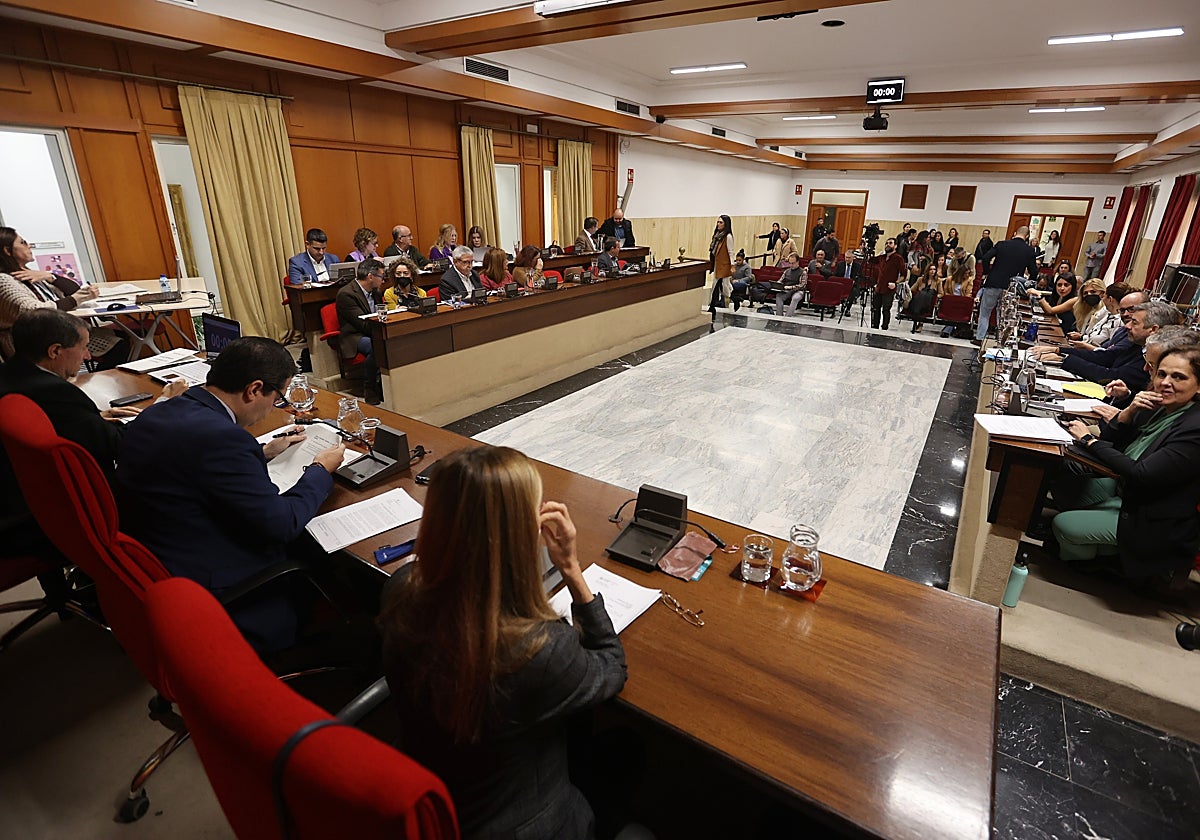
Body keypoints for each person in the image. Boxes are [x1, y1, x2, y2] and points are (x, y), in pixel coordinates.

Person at [379, 445, 627, 840]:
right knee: (628, 754)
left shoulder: (399, 592)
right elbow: (611, 669)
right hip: (526, 825)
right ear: (518, 532)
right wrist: (572, 569)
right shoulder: (538, 649)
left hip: (436, 800)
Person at [116, 337, 346, 651]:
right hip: (215, 581)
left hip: (159, 556)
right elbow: (281, 524)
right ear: (254, 389)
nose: (276, 408)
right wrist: (320, 470)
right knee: (330, 558)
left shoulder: (161, 412)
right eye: (278, 398)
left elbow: (192, 466)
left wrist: (263, 452)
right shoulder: (223, 438)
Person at [0, 309, 185, 560]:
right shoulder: (55, 392)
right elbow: (119, 445)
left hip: (20, 497)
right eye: (84, 347)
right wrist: (163, 404)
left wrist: (92, 418)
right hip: (58, 513)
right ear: (55, 351)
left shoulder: (11, 374)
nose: (87, 355)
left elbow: (60, 422)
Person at [1054, 345, 1200, 579]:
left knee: (1064, 524)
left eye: (1179, 377)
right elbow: (1114, 438)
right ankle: (1104, 551)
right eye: (1161, 374)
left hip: (1154, 517)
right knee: (1063, 488)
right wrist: (1130, 410)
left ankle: (1103, 565)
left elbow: (1142, 473)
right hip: (1128, 490)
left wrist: (1090, 442)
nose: (1165, 382)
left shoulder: (1195, 428)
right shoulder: (1159, 405)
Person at [1, 226, 99, 359]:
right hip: (34, 345)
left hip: (56, 334)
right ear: (7, 250)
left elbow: (72, 291)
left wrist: (50, 276)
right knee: (117, 344)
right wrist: (78, 298)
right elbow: (34, 312)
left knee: (119, 339)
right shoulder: (4, 280)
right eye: (23, 243)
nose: (29, 246)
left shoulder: (29, 273)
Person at [1060, 300, 1178, 389]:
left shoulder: (1157, 358)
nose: (1127, 326)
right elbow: (1105, 358)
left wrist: (1065, 359)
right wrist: (1059, 351)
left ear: (1153, 329)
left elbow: (1110, 376)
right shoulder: (1137, 345)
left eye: (1134, 323)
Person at [973, 226, 1038, 345]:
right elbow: (1034, 271)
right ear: (1027, 236)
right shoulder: (1029, 250)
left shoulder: (1001, 244)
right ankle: (1000, 340)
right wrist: (1028, 285)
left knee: (985, 312)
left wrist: (987, 272)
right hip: (1012, 286)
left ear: (1014, 233)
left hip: (994, 281)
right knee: (1004, 314)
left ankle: (980, 338)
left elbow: (986, 258)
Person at [336, 257, 385, 404]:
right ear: (371, 276)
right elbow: (362, 324)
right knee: (376, 345)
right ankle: (369, 387)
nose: (383, 280)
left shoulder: (375, 292)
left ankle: (385, 384)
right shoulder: (346, 294)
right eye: (381, 277)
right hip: (354, 335)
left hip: (373, 329)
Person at [1067, 281, 1128, 350]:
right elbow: (1093, 335)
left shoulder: (1119, 322)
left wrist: (1085, 346)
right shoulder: (1108, 314)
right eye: (1085, 293)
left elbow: (1109, 352)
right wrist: (1081, 337)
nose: (1102, 298)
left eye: (1104, 296)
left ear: (1110, 299)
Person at [871, 237, 905, 330]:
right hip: (879, 287)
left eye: (890, 243)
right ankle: (874, 326)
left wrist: (895, 283)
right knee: (875, 308)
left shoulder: (898, 258)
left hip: (889, 288)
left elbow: (903, 275)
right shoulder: (882, 257)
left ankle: (884, 327)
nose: (887, 245)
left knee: (886, 309)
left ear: (895, 246)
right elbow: (871, 260)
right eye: (886, 243)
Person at [707, 214, 733, 315]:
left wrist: (732, 265)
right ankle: (712, 306)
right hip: (717, 264)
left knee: (724, 288)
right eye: (718, 222)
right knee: (717, 286)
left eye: (721, 222)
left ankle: (734, 299)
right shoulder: (717, 235)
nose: (718, 224)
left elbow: (731, 252)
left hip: (725, 265)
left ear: (726, 224)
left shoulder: (728, 237)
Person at [906, 263, 939, 334]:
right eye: (931, 269)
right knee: (921, 295)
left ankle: (919, 323)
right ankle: (917, 322)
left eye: (934, 269)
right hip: (920, 299)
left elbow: (941, 293)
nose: (933, 271)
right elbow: (912, 289)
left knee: (928, 294)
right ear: (927, 271)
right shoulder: (920, 279)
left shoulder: (938, 281)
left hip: (929, 301)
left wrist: (936, 297)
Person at [775, 252, 807, 318]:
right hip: (787, 290)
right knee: (779, 296)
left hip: (798, 291)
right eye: (790, 263)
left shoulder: (803, 272)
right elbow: (781, 280)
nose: (791, 265)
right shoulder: (787, 271)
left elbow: (802, 285)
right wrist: (777, 284)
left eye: (793, 263)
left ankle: (787, 317)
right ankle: (779, 316)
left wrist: (790, 287)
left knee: (795, 298)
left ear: (798, 262)